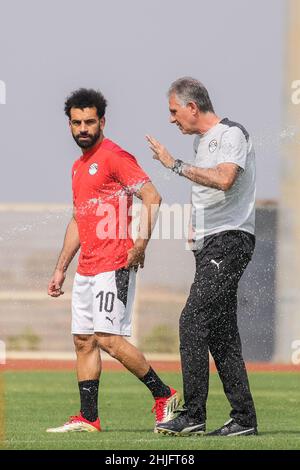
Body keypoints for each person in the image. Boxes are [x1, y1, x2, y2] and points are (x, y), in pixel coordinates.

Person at [46, 88, 180, 433]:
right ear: (70, 125)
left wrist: (141, 244)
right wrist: (61, 268)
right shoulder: (78, 167)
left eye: (89, 121)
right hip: (87, 268)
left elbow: (152, 196)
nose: (83, 128)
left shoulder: (115, 156)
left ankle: (165, 396)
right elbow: (79, 219)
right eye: (76, 122)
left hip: (114, 263)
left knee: (107, 338)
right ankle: (89, 417)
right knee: (83, 340)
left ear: (102, 121)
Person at [146, 77, 258, 437]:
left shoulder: (231, 134)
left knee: (191, 321)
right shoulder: (201, 141)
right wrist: (196, 229)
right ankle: (243, 418)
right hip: (210, 245)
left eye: (173, 111)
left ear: (192, 107)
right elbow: (210, 192)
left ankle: (193, 414)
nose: (171, 119)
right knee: (221, 333)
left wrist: (172, 164)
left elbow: (225, 180)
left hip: (230, 242)